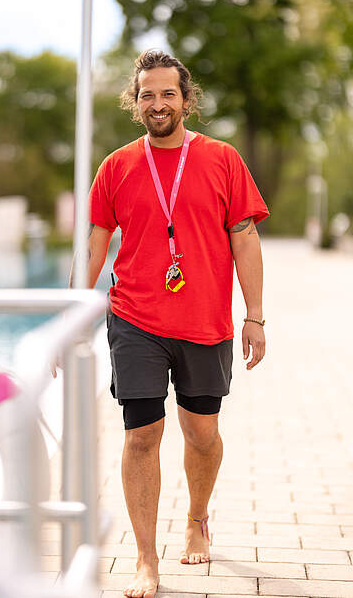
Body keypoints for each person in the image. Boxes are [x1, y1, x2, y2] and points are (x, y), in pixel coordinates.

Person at [71, 49, 269, 598]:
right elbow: (94, 246)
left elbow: (245, 237)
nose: (157, 103)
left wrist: (253, 316)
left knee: (201, 433)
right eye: (146, 95)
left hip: (205, 320)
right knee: (142, 434)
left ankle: (198, 517)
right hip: (135, 318)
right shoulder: (115, 166)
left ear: (186, 99)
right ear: (134, 104)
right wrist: (67, 320)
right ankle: (144, 559)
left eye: (167, 93)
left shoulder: (223, 159)